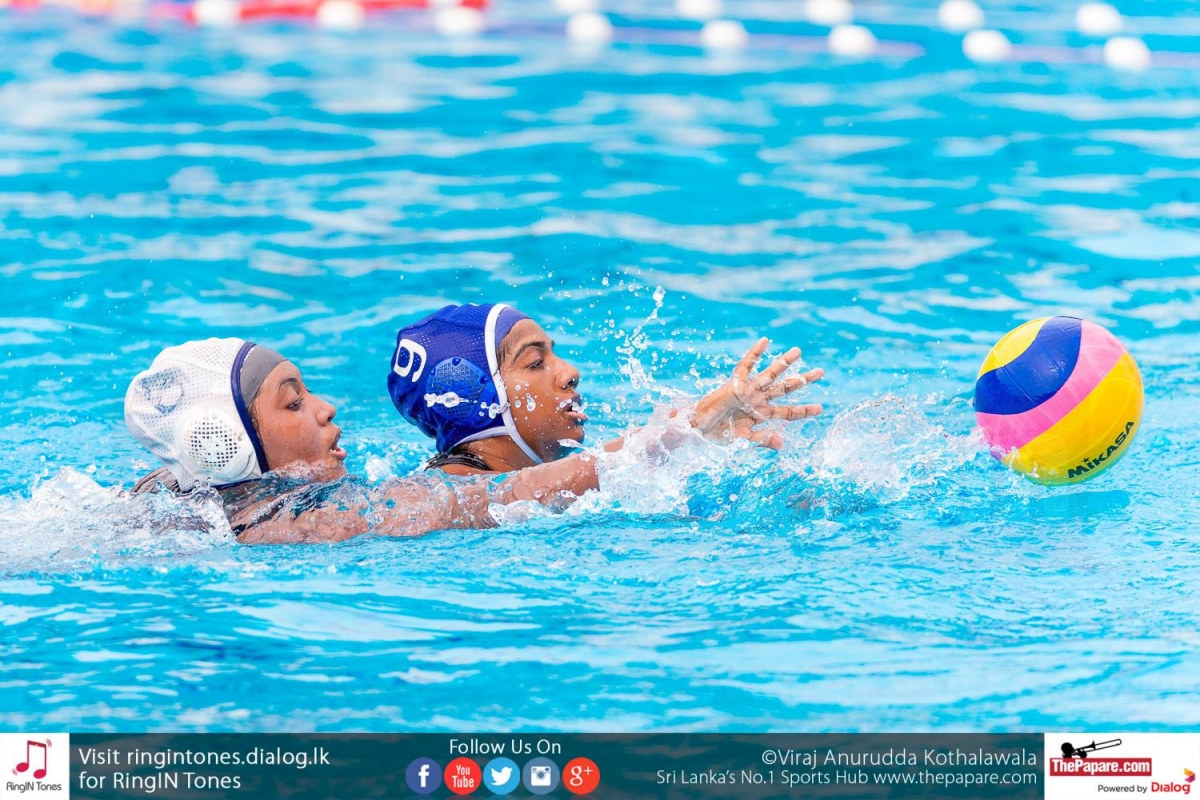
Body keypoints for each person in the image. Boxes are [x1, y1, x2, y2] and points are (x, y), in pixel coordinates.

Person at [126, 332, 820, 545]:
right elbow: (512, 495)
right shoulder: (331, 521)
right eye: (294, 401)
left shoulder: (167, 507)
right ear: (224, 447)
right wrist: (688, 427)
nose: (328, 408)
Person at [387, 303, 825, 476]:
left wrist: (704, 434)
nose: (570, 372)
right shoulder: (440, 496)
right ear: (476, 401)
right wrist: (690, 425)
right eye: (535, 363)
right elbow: (530, 492)